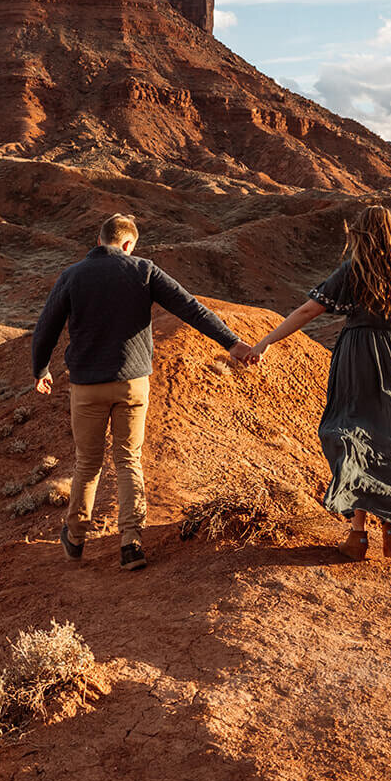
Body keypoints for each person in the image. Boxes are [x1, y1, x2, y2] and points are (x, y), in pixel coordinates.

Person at [32, 213, 257, 571]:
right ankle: (131, 543)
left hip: (87, 385)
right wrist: (231, 342)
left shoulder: (72, 276)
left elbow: (46, 327)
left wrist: (41, 369)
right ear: (127, 245)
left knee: (88, 463)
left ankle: (75, 539)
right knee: (127, 460)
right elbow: (191, 308)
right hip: (132, 383)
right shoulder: (144, 270)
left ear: (99, 239)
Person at [250, 205, 391, 560]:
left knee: (353, 432)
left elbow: (308, 311)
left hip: (356, 355)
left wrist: (266, 341)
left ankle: (358, 535)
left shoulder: (352, 271)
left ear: (362, 238)